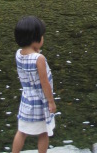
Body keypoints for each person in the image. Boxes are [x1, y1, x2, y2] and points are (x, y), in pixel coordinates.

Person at [12, 16, 57, 153]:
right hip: (40, 102)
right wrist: (51, 102)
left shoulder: (18, 54)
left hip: (26, 101)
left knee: (22, 131)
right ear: (35, 39)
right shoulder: (39, 59)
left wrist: (34, 50)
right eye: (42, 35)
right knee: (44, 132)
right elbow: (44, 83)